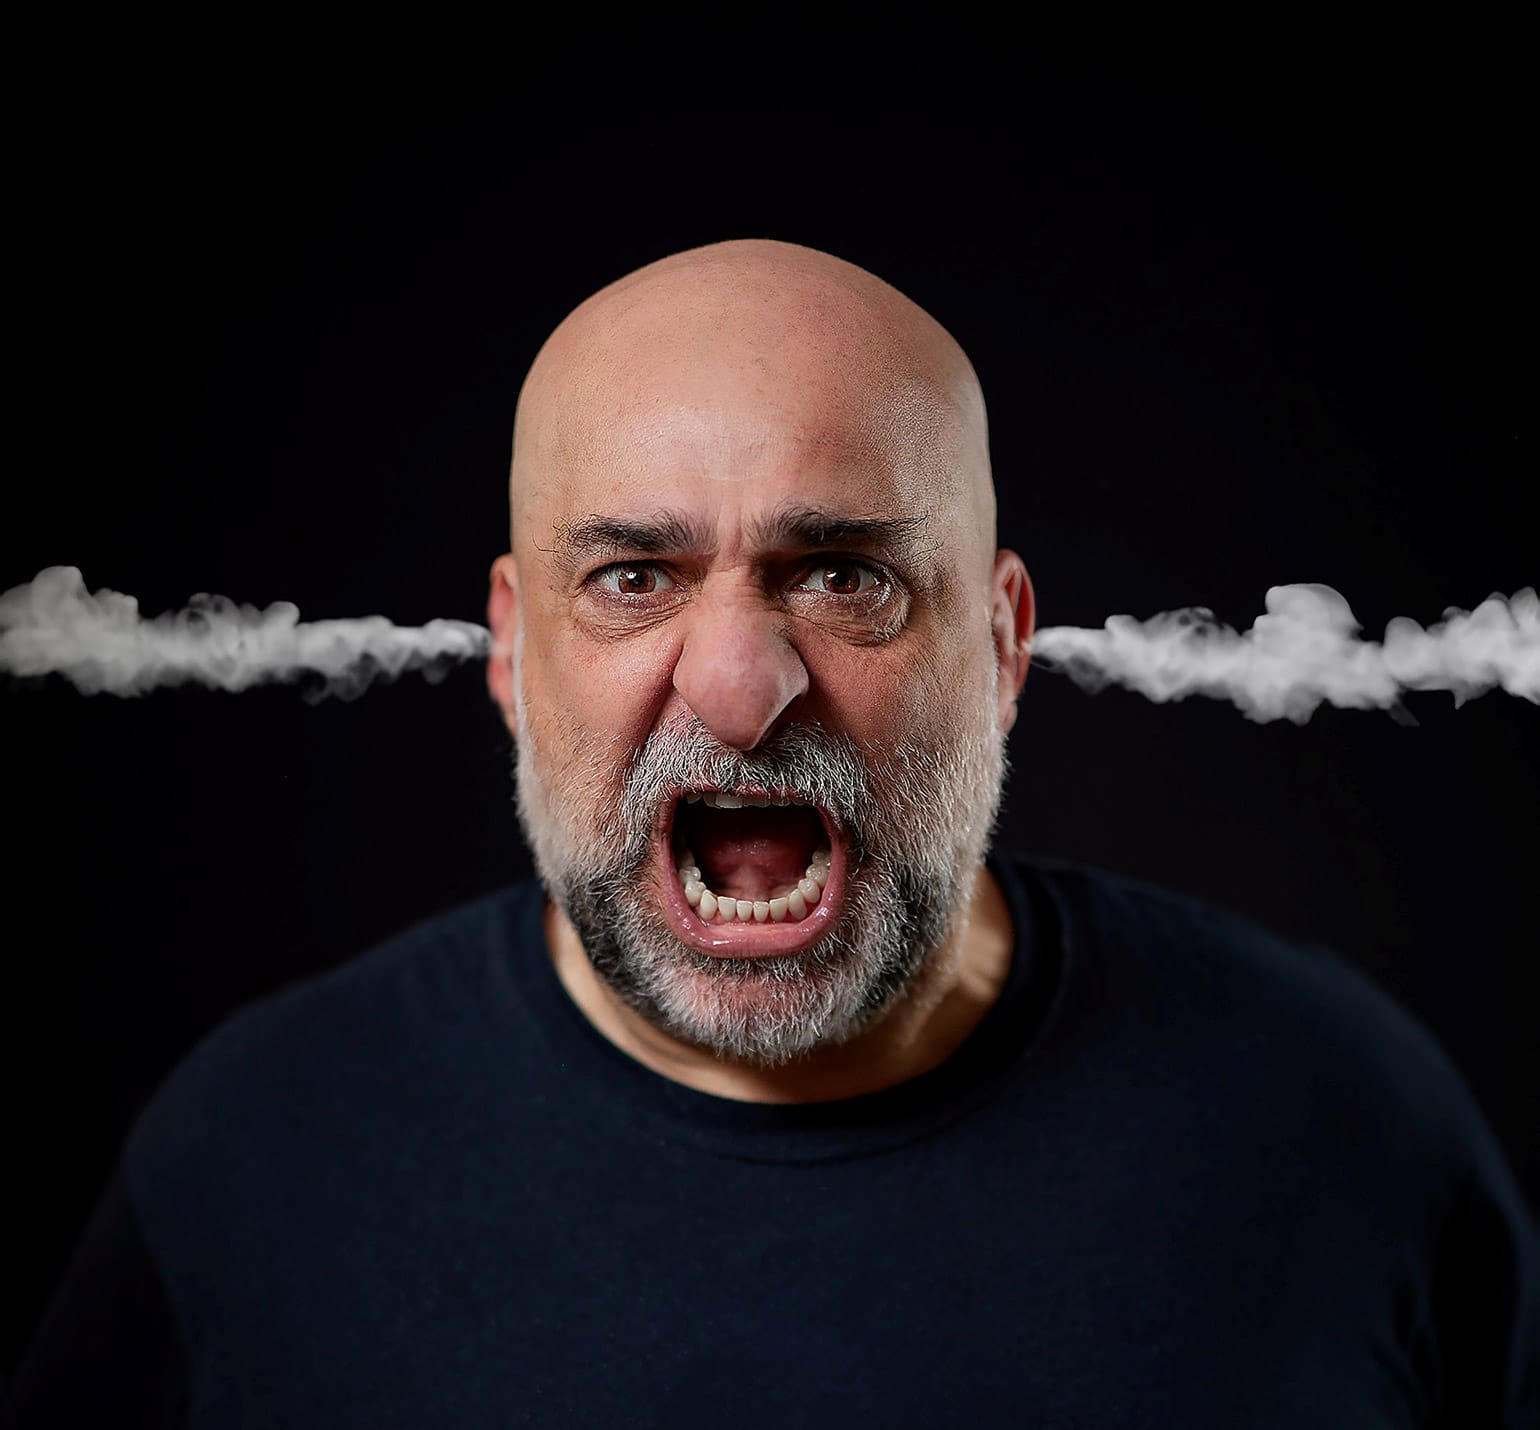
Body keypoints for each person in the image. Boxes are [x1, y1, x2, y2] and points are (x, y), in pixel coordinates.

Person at [10, 240, 1536, 1426]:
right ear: (507, 646)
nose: (740, 690)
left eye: (843, 573)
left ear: (1003, 643)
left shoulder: (1347, 1124)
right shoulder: (249, 1163)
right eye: (631, 577)